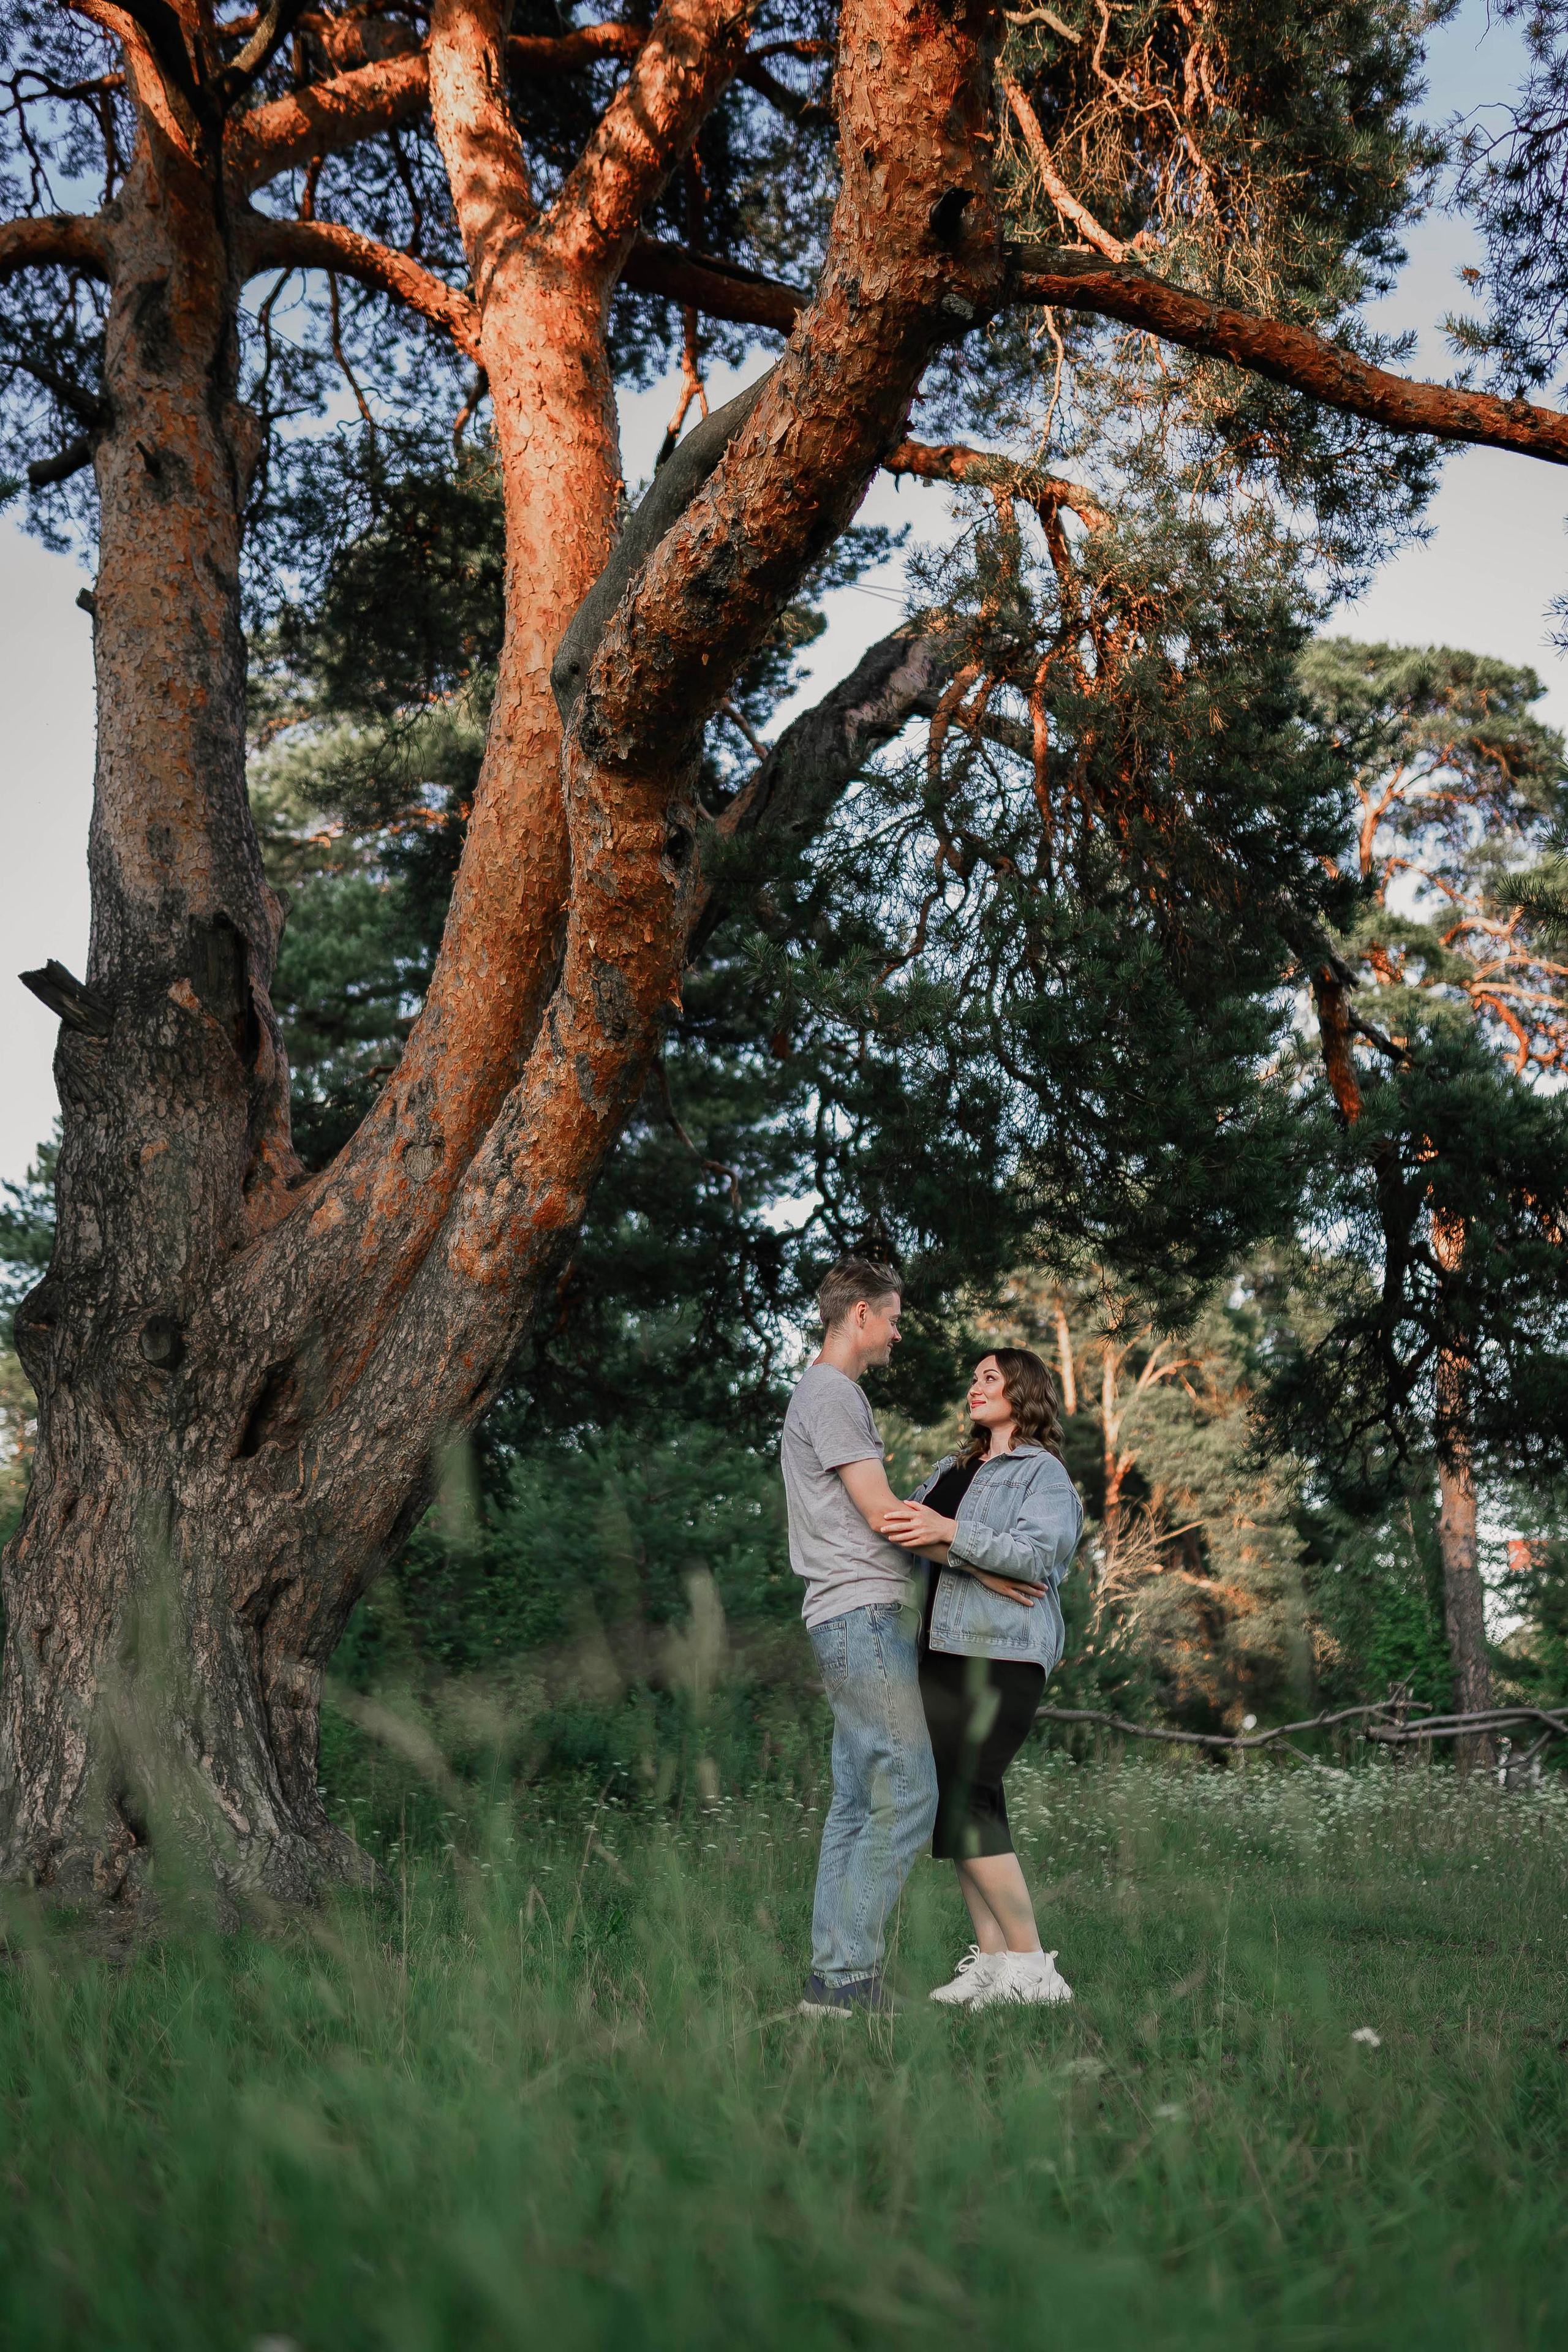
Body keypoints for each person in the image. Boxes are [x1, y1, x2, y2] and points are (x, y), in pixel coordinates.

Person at [880, 1348, 1083, 2009]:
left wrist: (951, 1534)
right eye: (972, 1377)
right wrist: (962, 1550)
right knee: (961, 1804)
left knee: (968, 1797)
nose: (975, 1386)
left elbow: (1037, 1559)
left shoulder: (1042, 1474)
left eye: (989, 1378)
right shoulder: (952, 1468)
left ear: (1023, 1391)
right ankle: (993, 1965)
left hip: (1002, 1652)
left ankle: (1032, 1966)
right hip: (938, 1652)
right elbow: (903, 1532)